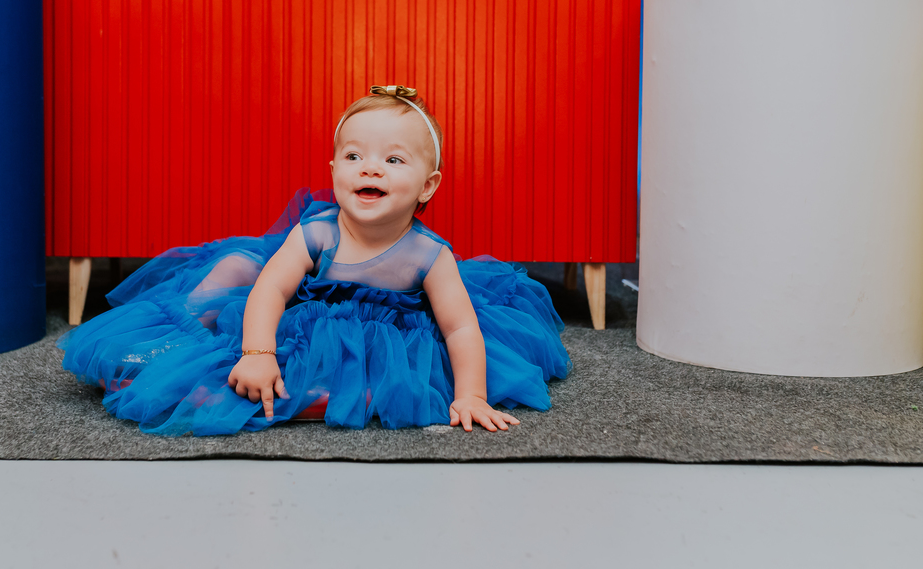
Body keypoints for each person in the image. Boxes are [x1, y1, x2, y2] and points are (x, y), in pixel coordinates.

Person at [58, 85, 570, 436]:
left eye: (393, 160)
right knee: (246, 314)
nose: (369, 167)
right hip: (307, 319)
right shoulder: (318, 232)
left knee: (383, 381)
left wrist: (472, 395)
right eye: (354, 156)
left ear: (427, 186)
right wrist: (258, 351)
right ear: (334, 168)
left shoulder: (430, 256)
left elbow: (460, 329)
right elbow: (270, 291)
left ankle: (309, 397)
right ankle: (168, 357)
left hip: (388, 332)